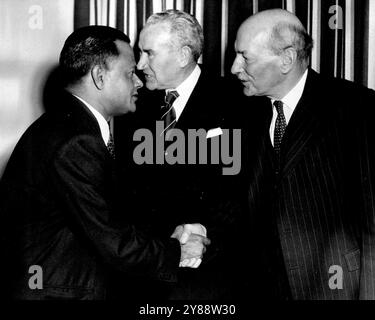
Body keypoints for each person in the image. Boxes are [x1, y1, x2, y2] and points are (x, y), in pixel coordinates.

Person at [0, 25, 210, 300]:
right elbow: (114, 241)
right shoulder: (76, 141)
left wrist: (169, 234)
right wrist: (178, 251)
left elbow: (108, 217)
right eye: (129, 73)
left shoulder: (69, 126)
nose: (138, 82)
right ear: (99, 76)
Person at [231, 8, 375, 299]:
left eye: (245, 57)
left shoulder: (356, 108)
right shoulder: (243, 111)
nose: (235, 67)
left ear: (286, 59)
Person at [114, 10, 245, 300]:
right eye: (139, 52)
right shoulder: (131, 104)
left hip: (208, 273)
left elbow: (241, 188)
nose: (140, 63)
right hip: (145, 272)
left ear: (184, 55)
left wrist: (202, 232)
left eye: (149, 53)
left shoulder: (235, 100)